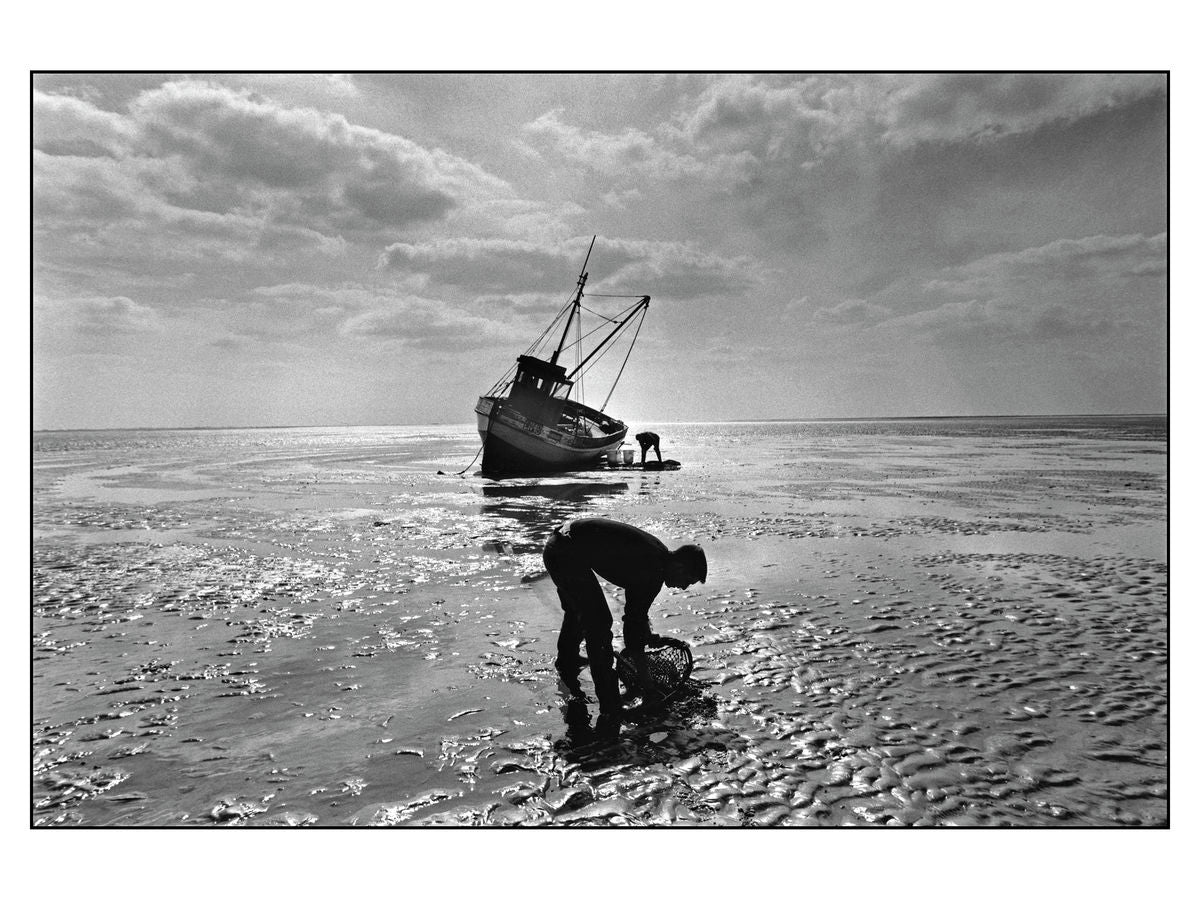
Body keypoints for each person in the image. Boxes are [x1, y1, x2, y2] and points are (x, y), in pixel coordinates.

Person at [542, 517, 707, 739]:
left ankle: (567, 660)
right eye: (688, 579)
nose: (684, 586)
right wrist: (648, 686)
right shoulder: (651, 570)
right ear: (679, 565)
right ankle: (610, 704)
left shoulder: (659, 558)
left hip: (560, 541)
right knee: (598, 623)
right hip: (565, 552)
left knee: (579, 609)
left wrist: (646, 633)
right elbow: (632, 633)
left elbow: (637, 613)